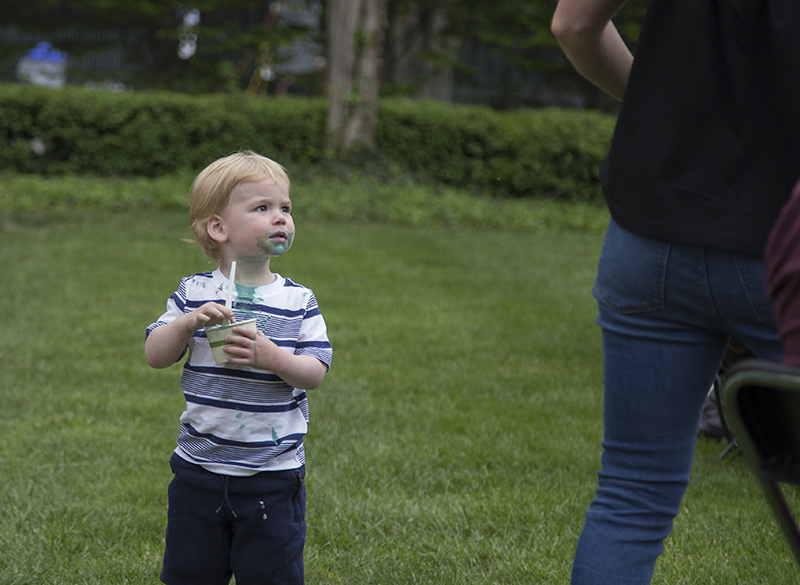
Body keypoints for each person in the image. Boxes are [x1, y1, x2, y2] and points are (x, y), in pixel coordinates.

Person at [550, 0, 800, 582]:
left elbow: (573, 24)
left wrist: (665, 113)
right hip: (782, 240)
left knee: (630, 496)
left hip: (650, 233)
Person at [145, 150, 332, 585]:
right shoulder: (194, 292)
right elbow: (155, 354)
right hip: (198, 470)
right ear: (218, 227)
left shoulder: (297, 300)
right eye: (262, 208)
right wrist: (188, 322)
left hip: (272, 473)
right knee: (190, 573)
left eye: (285, 208)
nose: (281, 217)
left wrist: (272, 358)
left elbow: (315, 372)